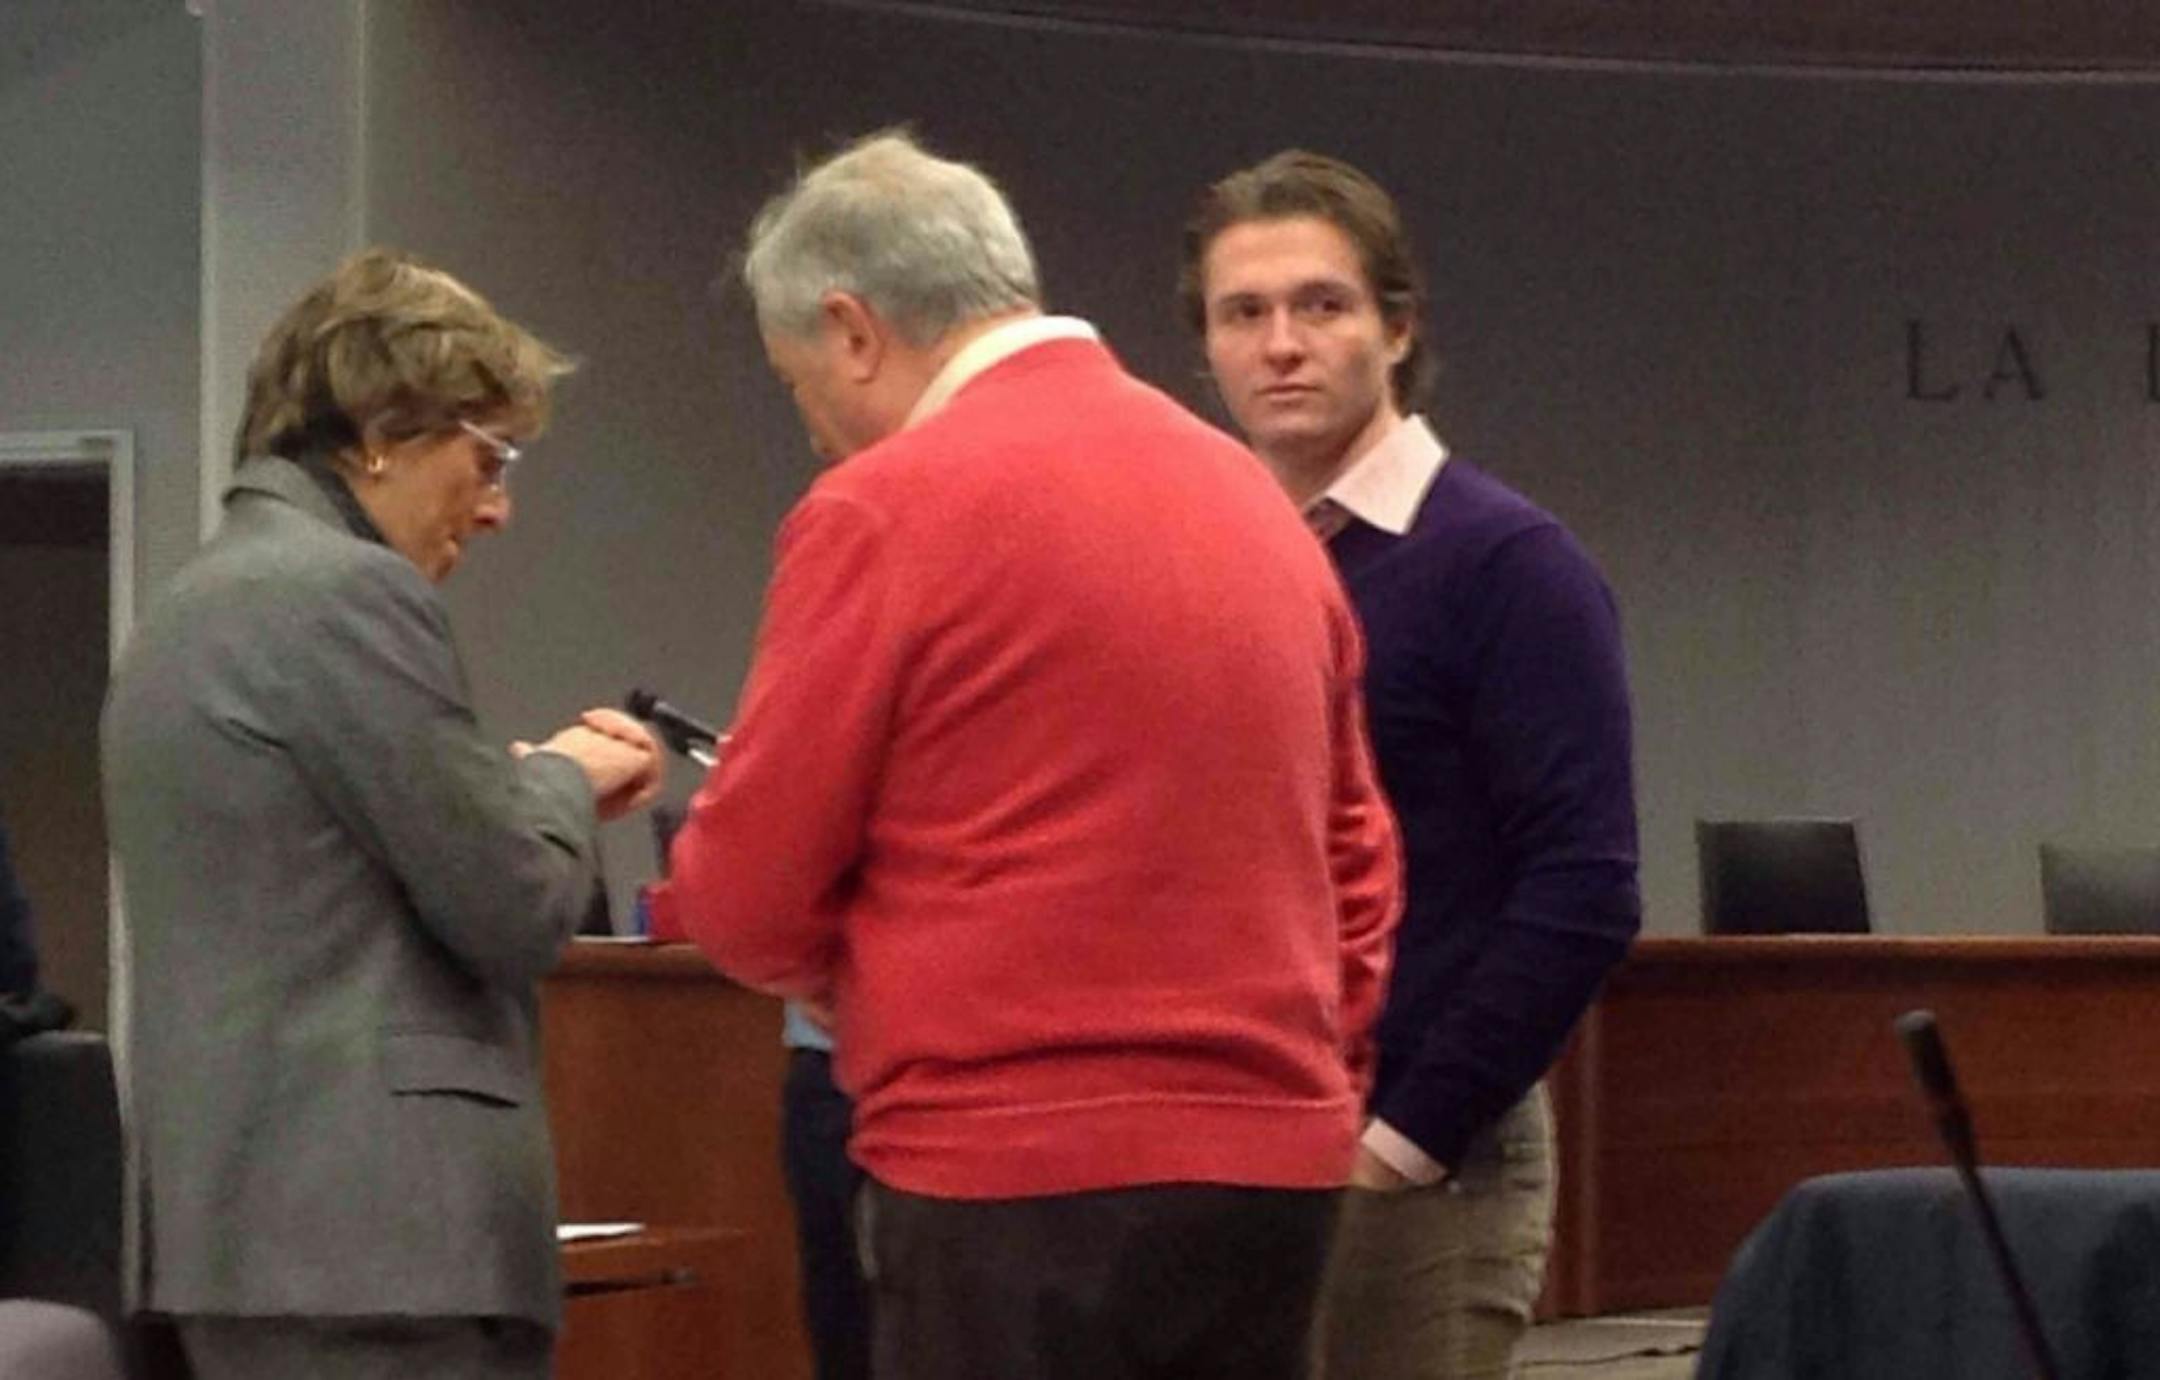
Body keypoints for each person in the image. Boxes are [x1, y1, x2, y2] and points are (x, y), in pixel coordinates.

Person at [661, 130, 1402, 1380]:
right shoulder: (1254, 502)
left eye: (800, 385)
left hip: (1001, 1172)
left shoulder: (883, 509)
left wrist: (852, 976)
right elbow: (1359, 861)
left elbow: (746, 891)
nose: (820, 431)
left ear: (852, 330)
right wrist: (1303, 1081)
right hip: (1269, 1179)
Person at [101, 247, 663, 1380]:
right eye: (487, 457)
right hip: (382, 1251)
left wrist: (503, 796)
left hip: (244, 1241)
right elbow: (514, 905)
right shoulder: (346, 593)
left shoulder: (187, 608)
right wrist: (561, 778)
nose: (497, 507)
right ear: (382, 434)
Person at [1182, 150, 1642, 1379]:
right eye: (1244, 313)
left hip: (1420, 1173)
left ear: (1397, 329)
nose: (1282, 344)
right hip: (1226, 1154)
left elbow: (1584, 889)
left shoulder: (1510, 565)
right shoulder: (1206, 560)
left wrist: (1400, 1143)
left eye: (1321, 305)